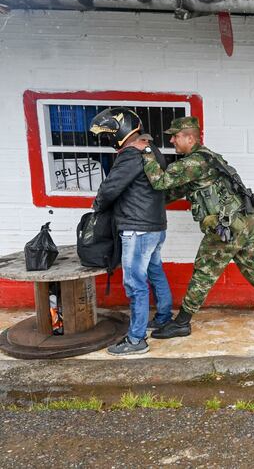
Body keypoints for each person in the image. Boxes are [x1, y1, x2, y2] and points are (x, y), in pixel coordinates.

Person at [131, 116, 254, 340]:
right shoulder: (209, 158)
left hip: (227, 229)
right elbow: (176, 191)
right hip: (247, 224)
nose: (172, 140)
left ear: (190, 137)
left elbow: (160, 182)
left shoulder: (194, 162)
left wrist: (145, 152)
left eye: (176, 136)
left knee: (203, 273)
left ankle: (182, 323)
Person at [90, 108, 174, 356]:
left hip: (137, 229)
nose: (107, 141)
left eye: (108, 136)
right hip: (155, 226)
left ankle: (137, 339)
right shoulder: (150, 148)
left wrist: (97, 207)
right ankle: (163, 317)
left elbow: (109, 189)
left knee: (135, 283)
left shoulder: (130, 155)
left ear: (120, 131)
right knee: (154, 270)